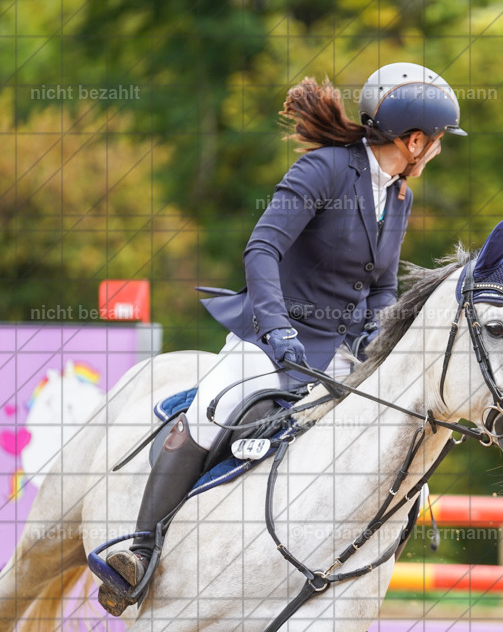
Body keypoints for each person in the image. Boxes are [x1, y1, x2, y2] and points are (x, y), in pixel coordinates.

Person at [99, 62, 466, 614]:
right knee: (213, 410)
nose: (437, 151)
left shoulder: (398, 198)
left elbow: (383, 287)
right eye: (437, 142)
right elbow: (261, 250)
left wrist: (378, 336)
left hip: (342, 352)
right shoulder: (323, 169)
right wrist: (274, 327)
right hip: (274, 335)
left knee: (393, 436)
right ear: (414, 140)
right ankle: (140, 550)